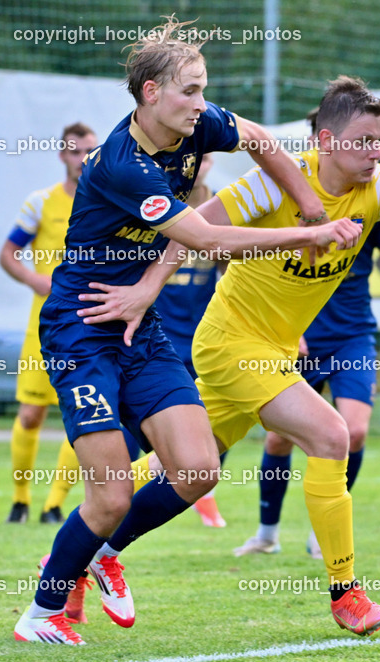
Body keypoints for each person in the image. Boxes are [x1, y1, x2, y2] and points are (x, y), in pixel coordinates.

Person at [100, 75, 380, 637]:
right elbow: (192, 231)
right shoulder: (274, 185)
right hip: (229, 344)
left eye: (379, 141)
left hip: (272, 348)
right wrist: (146, 289)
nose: (375, 152)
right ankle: (346, 595)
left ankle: (82, 551)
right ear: (325, 140)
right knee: (331, 435)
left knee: (188, 469)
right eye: (363, 141)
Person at [13, 17, 361, 645]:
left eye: (204, 89)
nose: (202, 103)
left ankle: (102, 555)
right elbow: (203, 238)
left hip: (138, 325)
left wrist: (307, 198)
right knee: (111, 494)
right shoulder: (124, 166)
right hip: (82, 325)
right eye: (190, 91)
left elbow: (261, 140)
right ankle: (41, 613)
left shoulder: (199, 125)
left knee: (199, 469)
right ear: (151, 93)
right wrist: (310, 231)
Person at [234, 217, 380, 558]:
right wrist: (281, 325)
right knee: (278, 439)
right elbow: (257, 270)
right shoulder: (290, 201)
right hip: (295, 337)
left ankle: (324, 530)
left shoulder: (374, 204)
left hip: (352, 339)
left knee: (355, 432)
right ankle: (266, 535)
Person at [0, 122, 97, 525]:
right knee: (31, 414)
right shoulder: (40, 202)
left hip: (89, 325)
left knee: (84, 413)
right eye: (76, 151)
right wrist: (34, 279)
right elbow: (8, 253)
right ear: (62, 155)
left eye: (90, 151)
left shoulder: (106, 200)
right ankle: (20, 500)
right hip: (44, 325)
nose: (82, 159)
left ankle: (54, 504)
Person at [151, 157, 228, 528]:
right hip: (160, 335)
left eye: (206, 156)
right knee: (143, 427)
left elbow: (232, 270)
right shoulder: (156, 203)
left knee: (215, 420)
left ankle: (204, 495)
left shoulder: (226, 207)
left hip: (205, 336)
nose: (199, 163)